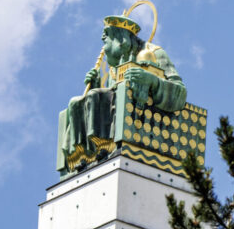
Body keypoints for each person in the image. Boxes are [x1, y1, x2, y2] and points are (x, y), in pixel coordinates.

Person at [57, 14, 186, 174]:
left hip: (147, 119)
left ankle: (104, 147)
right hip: (121, 110)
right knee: (75, 103)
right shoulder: (114, 66)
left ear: (119, 38)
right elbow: (107, 96)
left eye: (105, 40)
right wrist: (95, 85)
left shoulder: (153, 53)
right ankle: (81, 154)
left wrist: (152, 81)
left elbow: (180, 93)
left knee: (94, 95)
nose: (103, 47)